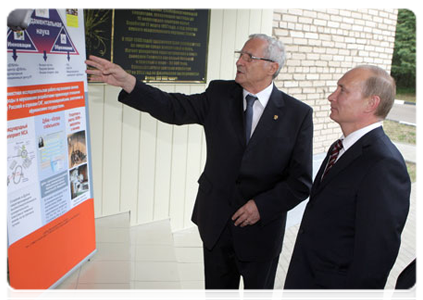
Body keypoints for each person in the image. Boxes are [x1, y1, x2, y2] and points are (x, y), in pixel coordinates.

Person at [86, 33, 313, 300]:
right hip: (217, 223)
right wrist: (130, 83)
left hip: (262, 233)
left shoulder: (297, 114)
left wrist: (261, 207)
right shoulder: (219, 94)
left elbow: (300, 182)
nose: (239, 62)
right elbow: (173, 107)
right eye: (239, 54)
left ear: (272, 67)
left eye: (248, 57)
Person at [282, 65, 411, 300]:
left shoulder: (383, 164)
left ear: (371, 103)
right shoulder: (339, 147)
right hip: (307, 283)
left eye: (343, 90)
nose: (332, 96)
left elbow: (375, 258)